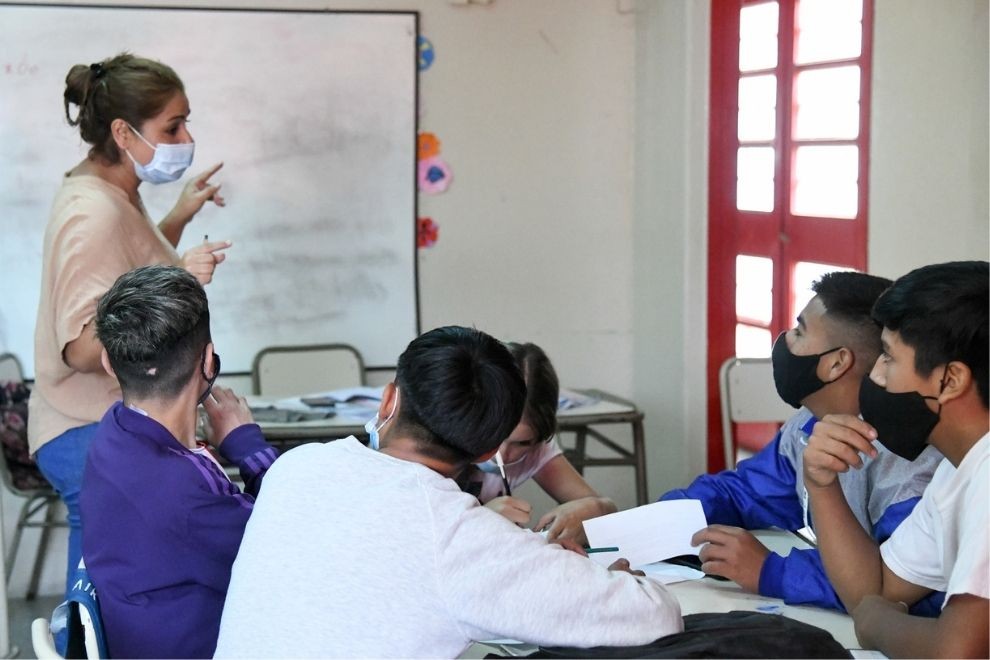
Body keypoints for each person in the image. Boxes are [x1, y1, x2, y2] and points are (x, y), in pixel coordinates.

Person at [215, 326, 682, 658]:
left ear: (389, 399)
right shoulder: (461, 534)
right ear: (488, 449)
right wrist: (605, 579)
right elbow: (655, 615)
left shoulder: (297, 466)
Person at [28, 52, 231, 596]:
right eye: (173, 125)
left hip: (93, 424)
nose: (186, 136)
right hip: (82, 427)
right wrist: (183, 282)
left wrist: (181, 216)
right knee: (105, 598)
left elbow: (124, 272)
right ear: (123, 131)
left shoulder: (115, 195)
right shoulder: (93, 211)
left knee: (116, 593)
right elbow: (79, 346)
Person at [661, 271, 943, 613]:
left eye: (799, 331)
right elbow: (747, 492)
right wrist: (657, 521)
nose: (785, 342)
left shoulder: (910, 462)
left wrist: (771, 571)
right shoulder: (809, 424)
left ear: (837, 363)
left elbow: (901, 586)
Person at [80, 265, 278, 658]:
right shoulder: (186, 490)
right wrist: (247, 445)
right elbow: (292, 540)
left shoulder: (112, 431)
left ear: (107, 361)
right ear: (208, 361)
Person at [803, 261, 988, 658]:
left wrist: (876, 623)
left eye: (888, 357)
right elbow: (878, 588)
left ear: (950, 380)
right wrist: (822, 485)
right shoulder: (956, 472)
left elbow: (958, 652)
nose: (877, 377)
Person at [458, 342, 617, 545]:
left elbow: (607, 510)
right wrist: (479, 520)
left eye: (522, 443)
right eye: (496, 435)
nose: (502, 454)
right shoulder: (443, 446)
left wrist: (592, 509)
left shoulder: (537, 448)